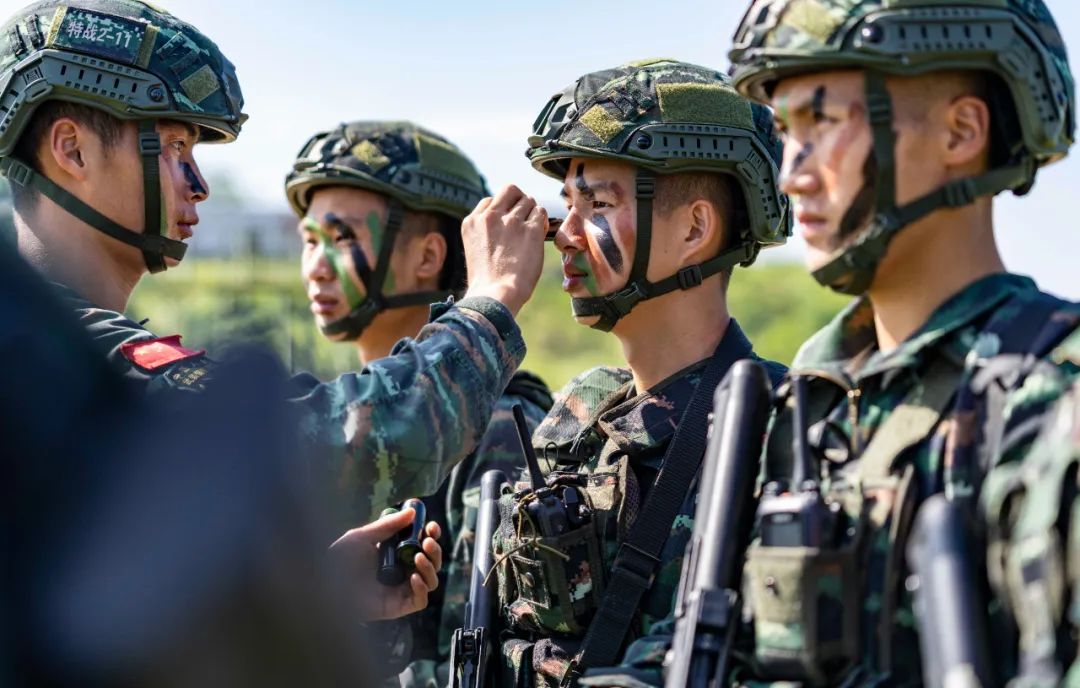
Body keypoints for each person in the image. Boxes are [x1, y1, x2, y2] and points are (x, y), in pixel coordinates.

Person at [0, 0, 549, 527]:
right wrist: (491, 299)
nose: (199, 185)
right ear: (73, 150)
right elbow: (338, 448)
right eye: (174, 147)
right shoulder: (58, 361)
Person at [725, 0, 1080, 683]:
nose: (792, 173)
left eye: (824, 122)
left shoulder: (1052, 398)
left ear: (960, 133)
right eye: (786, 132)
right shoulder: (806, 405)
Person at [491, 59, 790, 687]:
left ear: (695, 228)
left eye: (598, 204)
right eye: (568, 204)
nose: (565, 234)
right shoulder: (577, 420)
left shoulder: (772, 432)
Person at [284, 120, 553, 685]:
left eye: (343, 237)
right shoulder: (338, 415)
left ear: (429, 256)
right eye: (310, 240)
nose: (316, 266)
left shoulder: (498, 429)